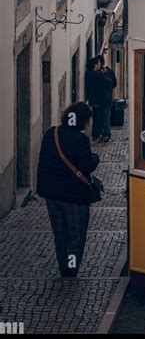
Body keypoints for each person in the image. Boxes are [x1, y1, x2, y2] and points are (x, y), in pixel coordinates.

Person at [37, 102, 99, 278]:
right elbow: (86, 166)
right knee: (75, 235)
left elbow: (45, 162)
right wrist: (96, 158)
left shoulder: (51, 133)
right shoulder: (81, 140)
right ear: (83, 121)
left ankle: (63, 267)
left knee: (60, 233)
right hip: (74, 197)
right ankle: (71, 269)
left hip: (52, 195)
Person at [85, 56, 113, 143]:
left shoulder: (87, 74)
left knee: (96, 119)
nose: (99, 65)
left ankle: (96, 135)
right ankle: (106, 135)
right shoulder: (99, 74)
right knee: (105, 118)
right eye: (98, 64)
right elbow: (109, 83)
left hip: (94, 101)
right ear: (95, 66)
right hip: (104, 100)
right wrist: (105, 74)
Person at [97, 53, 117, 136]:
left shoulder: (99, 73)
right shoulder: (109, 70)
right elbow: (114, 83)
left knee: (102, 117)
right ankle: (106, 134)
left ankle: (105, 134)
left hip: (100, 99)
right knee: (106, 116)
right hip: (107, 98)